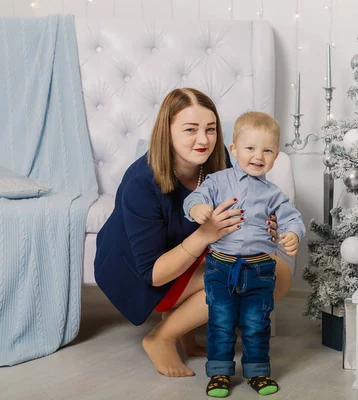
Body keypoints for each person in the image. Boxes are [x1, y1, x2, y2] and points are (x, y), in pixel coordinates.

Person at [94, 88, 294, 378]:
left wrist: (264, 223)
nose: (204, 140)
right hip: (137, 276)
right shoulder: (142, 181)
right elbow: (154, 273)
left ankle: (182, 325)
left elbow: (240, 208)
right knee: (234, 278)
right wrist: (205, 234)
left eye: (210, 129)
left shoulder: (217, 159)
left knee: (275, 273)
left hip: (184, 257)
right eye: (191, 130)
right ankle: (161, 338)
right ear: (167, 131)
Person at [183, 111, 305, 397]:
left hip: (260, 269)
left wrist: (292, 234)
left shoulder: (273, 193)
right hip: (221, 267)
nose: (258, 156)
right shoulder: (218, 181)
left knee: (256, 323)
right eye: (250, 148)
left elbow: (292, 218)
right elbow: (195, 197)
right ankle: (219, 373)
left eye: (267, 150)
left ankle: (257, 372)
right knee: (221, 321)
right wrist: (198, 208)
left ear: (275, 156)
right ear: (234, 149)